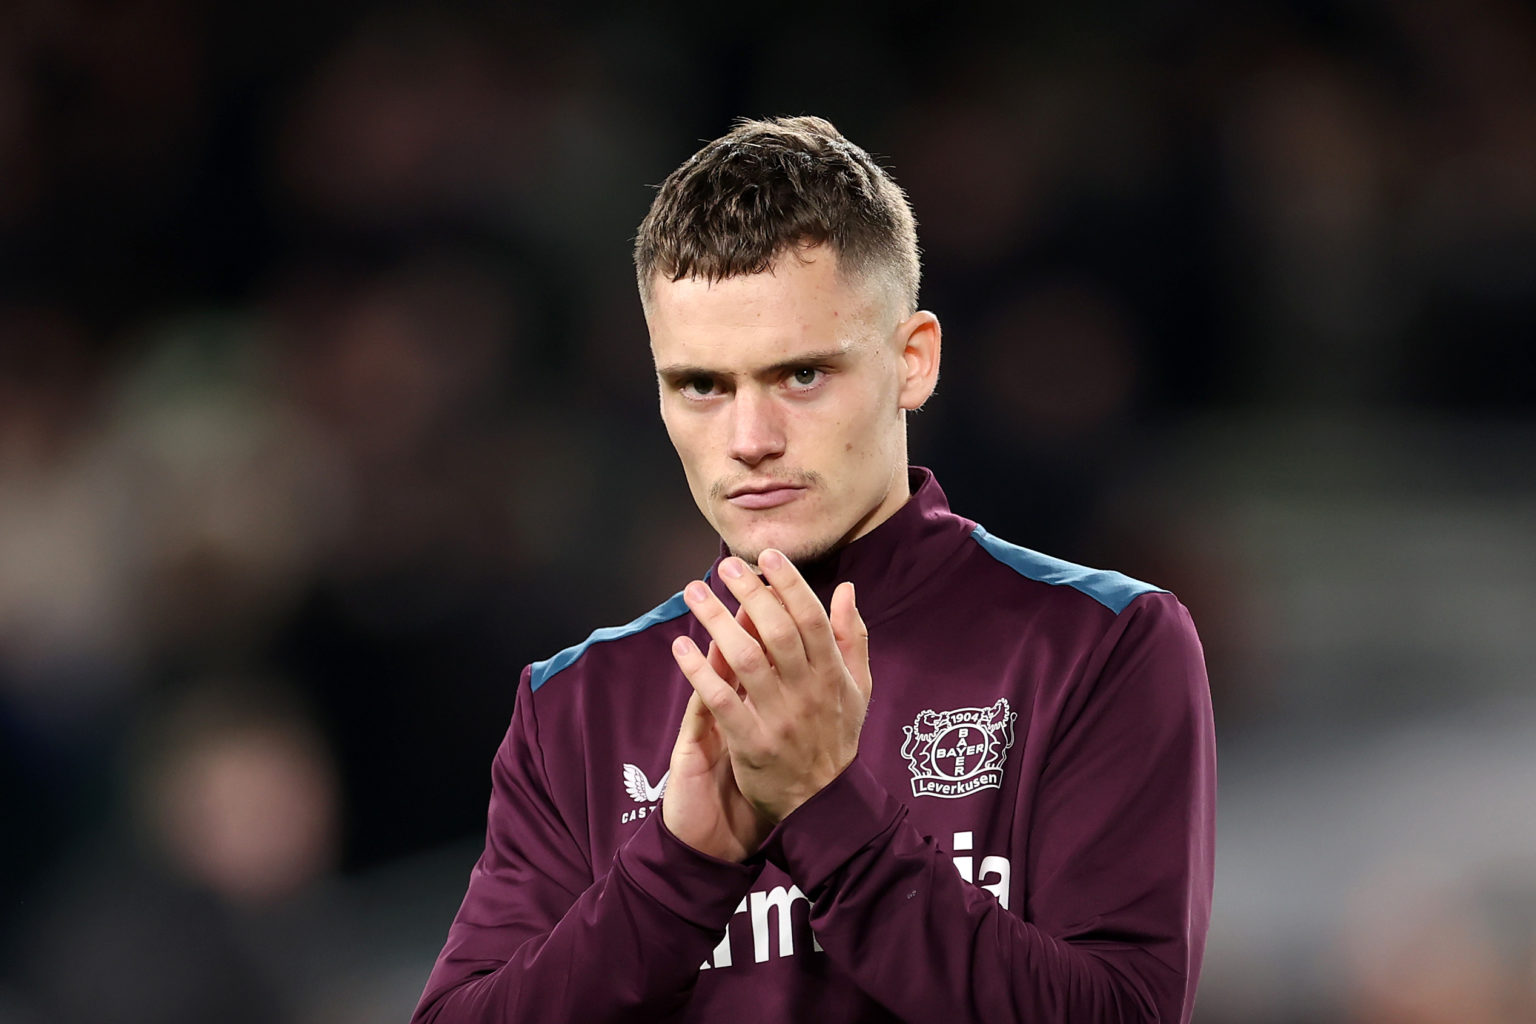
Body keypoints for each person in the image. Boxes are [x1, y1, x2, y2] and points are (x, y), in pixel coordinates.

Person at [412, 115, 1215, 1024]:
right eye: (702, 386)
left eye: (800, 375)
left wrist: (826, 809)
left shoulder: (1097, 646)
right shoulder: (580, 703)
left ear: (913, 361)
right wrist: (678, 870)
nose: (749, 442)